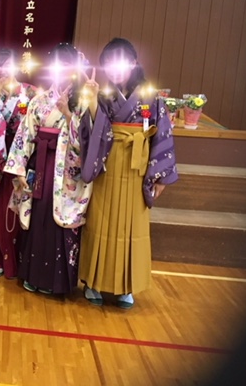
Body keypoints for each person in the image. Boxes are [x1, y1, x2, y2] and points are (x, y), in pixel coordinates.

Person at [79, 38, 178, 309]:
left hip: (137, 169)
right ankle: (94, 282)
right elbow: (92, 131)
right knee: (101, 223)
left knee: (132, 226)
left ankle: (126, 286)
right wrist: (92, 101)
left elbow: (158, 133)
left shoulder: (149, 98)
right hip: (107, 166)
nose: (115, 68)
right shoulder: (102, 95)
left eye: (121, 62)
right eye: (109, 63)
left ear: (134, 63)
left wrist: (160, 175)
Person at [4, 44, 92, 295]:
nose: (61, 68)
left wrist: (68, 114)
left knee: (58, 219)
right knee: (38, 215)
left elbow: (86, 140)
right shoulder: (39, 100)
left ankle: (56, 281)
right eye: (57, 63)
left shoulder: (83, 101)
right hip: (40, 164)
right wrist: (20, 169)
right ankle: (32, 274)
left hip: (66, 169)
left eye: (67, 63)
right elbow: (25, 135)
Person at [0, 49, 37, 279]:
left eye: (4, 65)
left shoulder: (30, 92)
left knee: (20, 207)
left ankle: (18, 258)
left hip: (23, 156)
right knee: (0, 209)